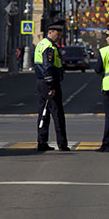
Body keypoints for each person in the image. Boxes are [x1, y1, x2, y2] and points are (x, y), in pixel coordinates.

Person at [34, 21, 69, 152]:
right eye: (57, 34)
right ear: (50, 33)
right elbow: (47, 66)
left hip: (41, 82)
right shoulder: (49, 47)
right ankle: (62, 143)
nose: (58, 36)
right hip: (49, 82)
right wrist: (51, 86)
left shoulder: (41, 44)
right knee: (57, 113)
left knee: (44, 112)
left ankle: (42, 142)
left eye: (60, 34)